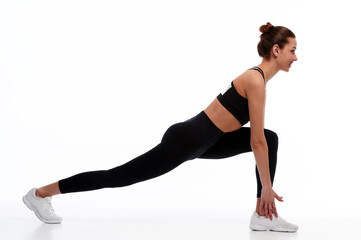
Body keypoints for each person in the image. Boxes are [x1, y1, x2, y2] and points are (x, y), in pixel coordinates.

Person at [23, 22, 298, 232]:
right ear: (276, 50)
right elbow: (256, 142)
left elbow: (262, 140)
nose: (295, 57)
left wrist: (265, 185)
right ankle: (40, 194)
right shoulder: (256, 81)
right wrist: (266, 187)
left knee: (271, 138)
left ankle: (262, 217)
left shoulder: (257, 79)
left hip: (208, 141)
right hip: (186, 141)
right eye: (292, 50)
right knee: (116, 176)